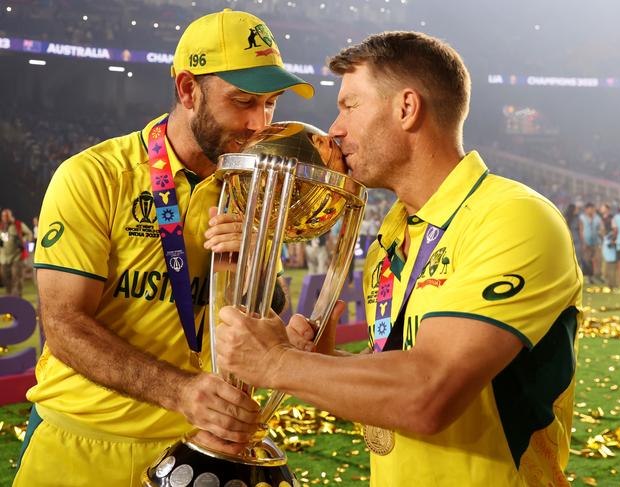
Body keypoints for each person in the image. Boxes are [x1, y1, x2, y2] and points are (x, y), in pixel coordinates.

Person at [213, 32, 582, 486]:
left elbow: (428, 394)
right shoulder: (390, 240)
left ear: (407, 108)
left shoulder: (512, 217)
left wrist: (275, 363)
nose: (334, 129)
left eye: (350, 106)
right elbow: (394, 377)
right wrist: (313, 360)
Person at [13, 9, 313, 486]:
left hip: (194, 453)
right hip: (84, 445)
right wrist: (181, 392)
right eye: (243, 101)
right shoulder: (95, 177)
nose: (260, 124)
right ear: (188, 89)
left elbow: (263, 314)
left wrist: (255, 274)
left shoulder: (254, 193)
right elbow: (64, 324)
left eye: (271, 103)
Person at [0, 208, 33, 297]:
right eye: (4, 216)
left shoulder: (18, 225)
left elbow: (29, 234)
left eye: (7, 216)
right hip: (4, 259)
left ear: (11, 216)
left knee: (17, 281)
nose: (5, 218)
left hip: (17, 258)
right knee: (7, 282)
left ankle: (17, 303)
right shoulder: (1, 227)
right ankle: (9, 302)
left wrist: (24, 241)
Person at [579, 202, 603, 283]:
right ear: (586, 209)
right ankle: (588, 277)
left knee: (598, 259)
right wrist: (583, 242)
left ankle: (597, 276)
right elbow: (581, 230)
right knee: (587, 260)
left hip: (596, 241)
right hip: (586, 242)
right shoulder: (582, 218)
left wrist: (601, 233)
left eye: (593, 209)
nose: (592, 211)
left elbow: (601, 228)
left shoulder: (597, 218)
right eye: (590, 209)